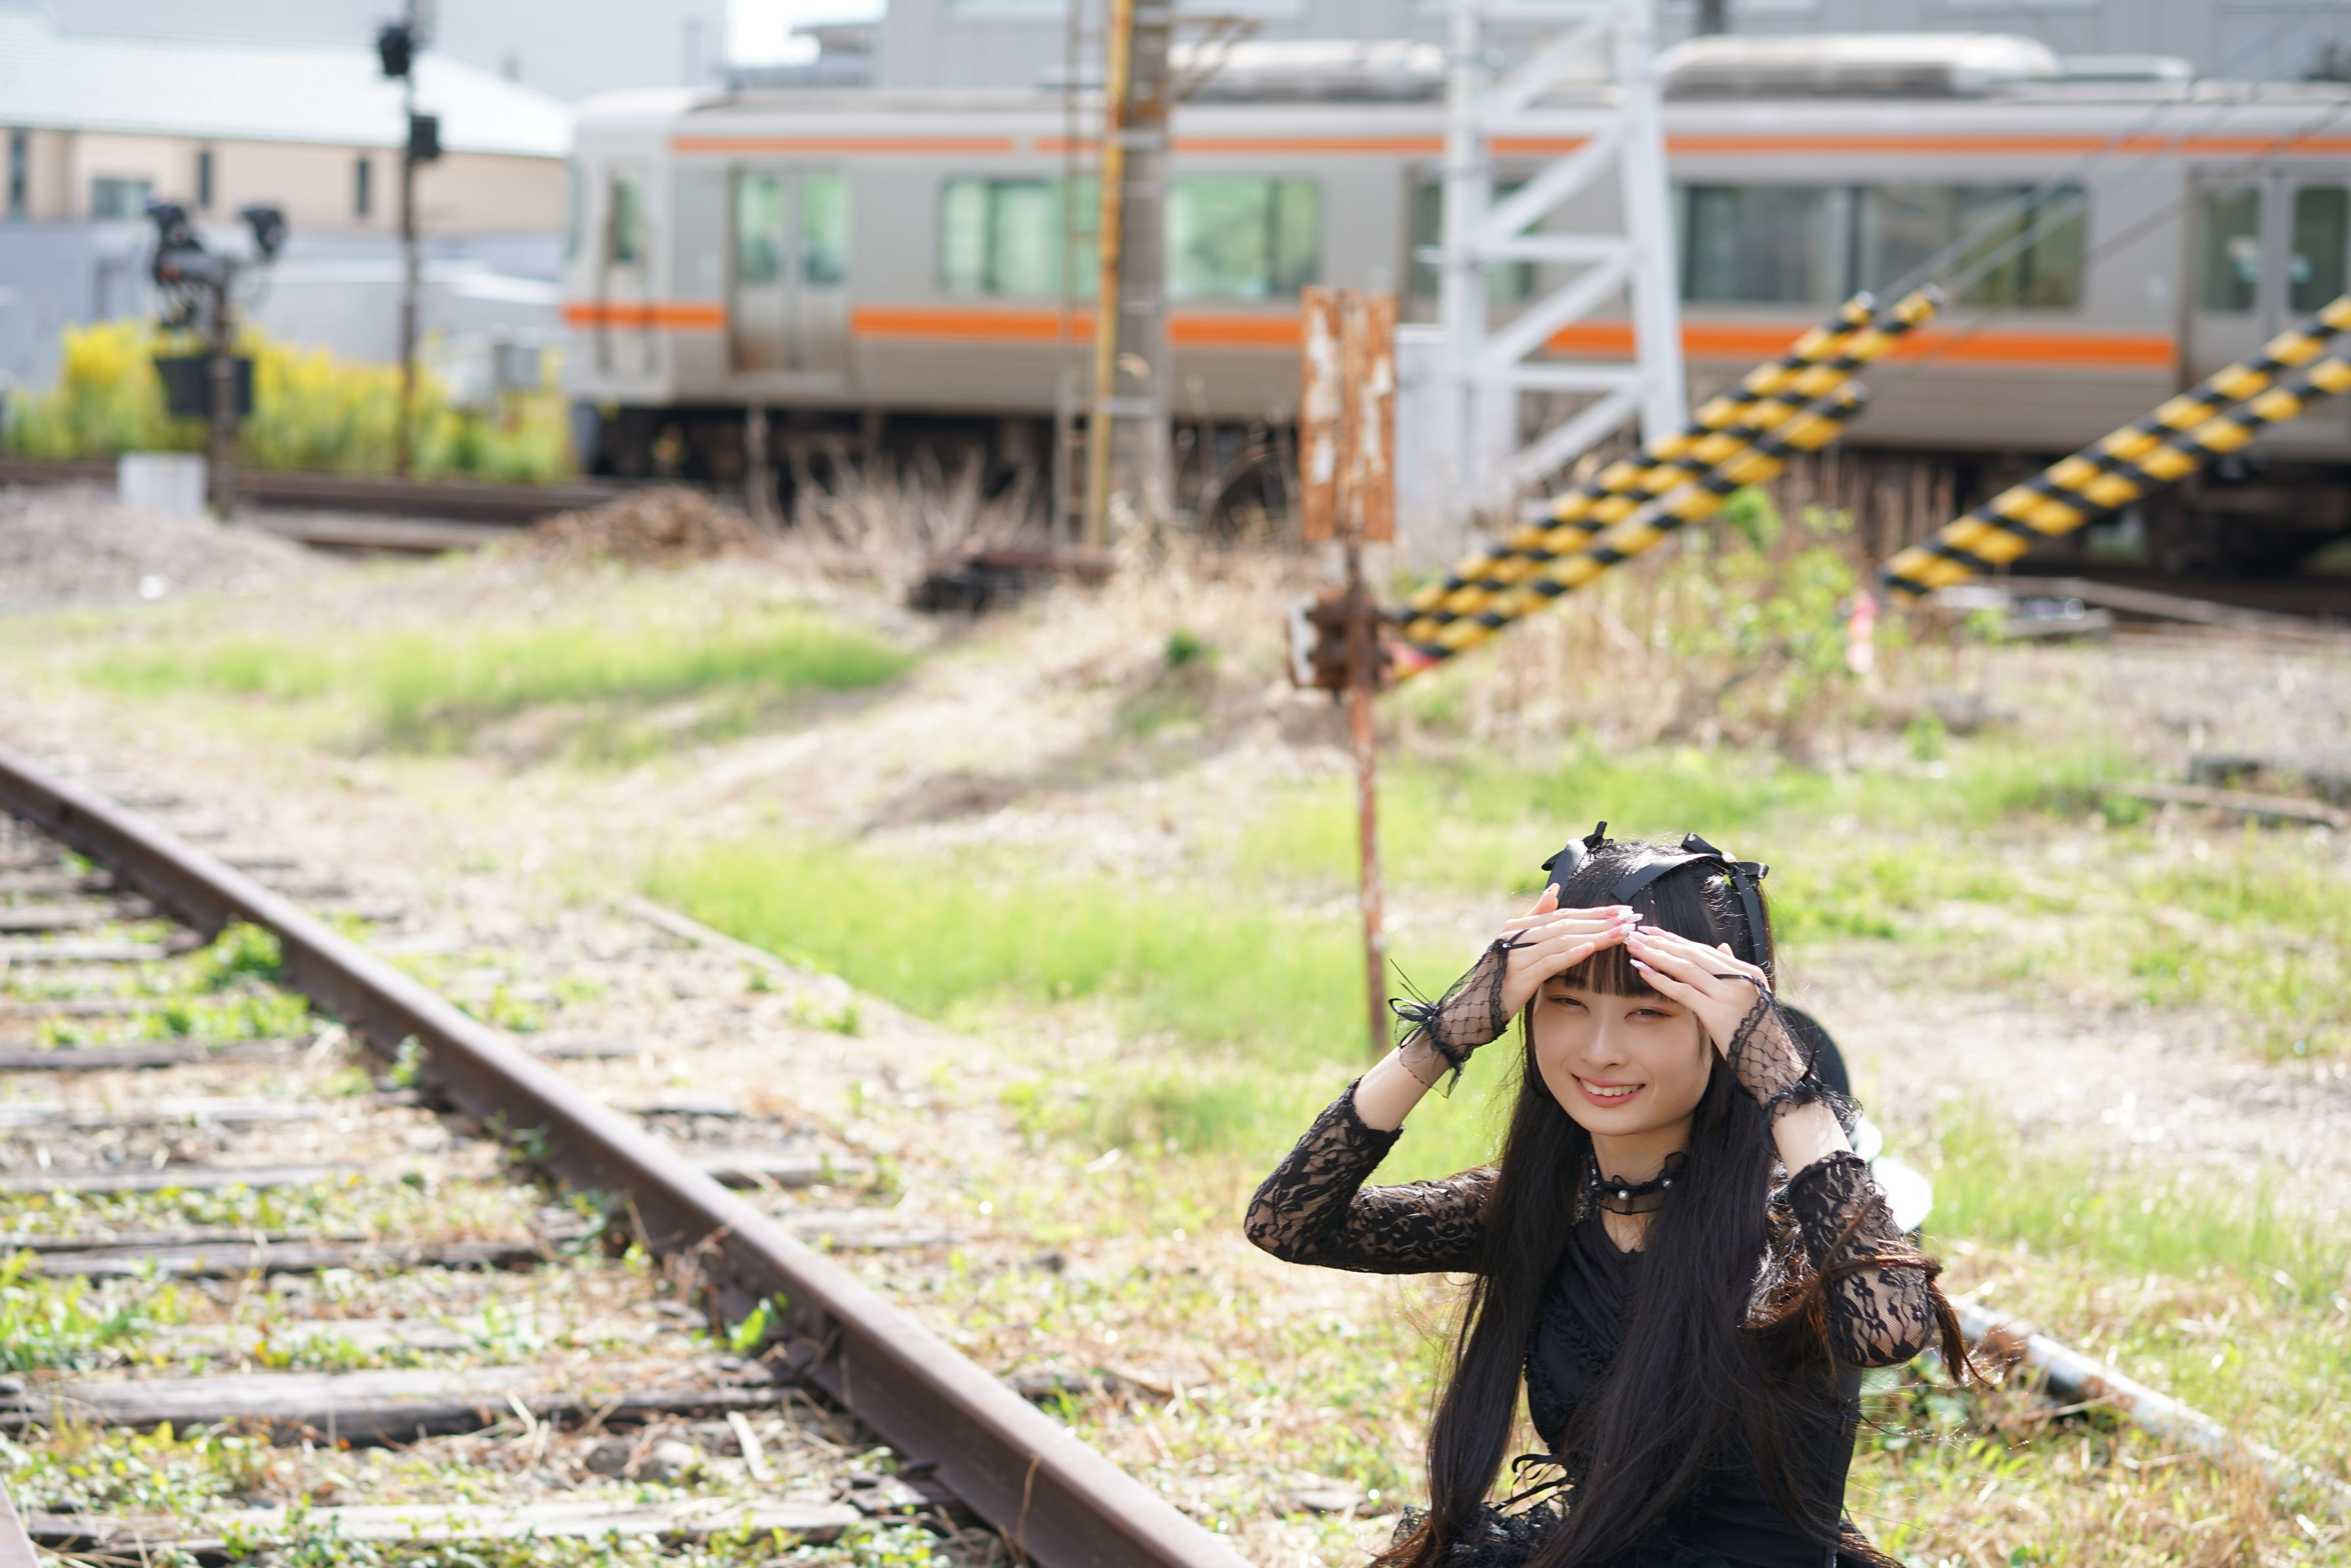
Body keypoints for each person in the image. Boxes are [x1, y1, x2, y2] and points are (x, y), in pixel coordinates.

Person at [1244, 826, 1971, 1568]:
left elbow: (1890, 1330)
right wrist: (1447, 1030)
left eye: (1649, 1012)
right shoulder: (1545, 1208)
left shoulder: (1788, 1221)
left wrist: (1780, 1071)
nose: (1599, 1051)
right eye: (1566, 1003)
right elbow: (1287, 1222)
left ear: (1723, 1022)